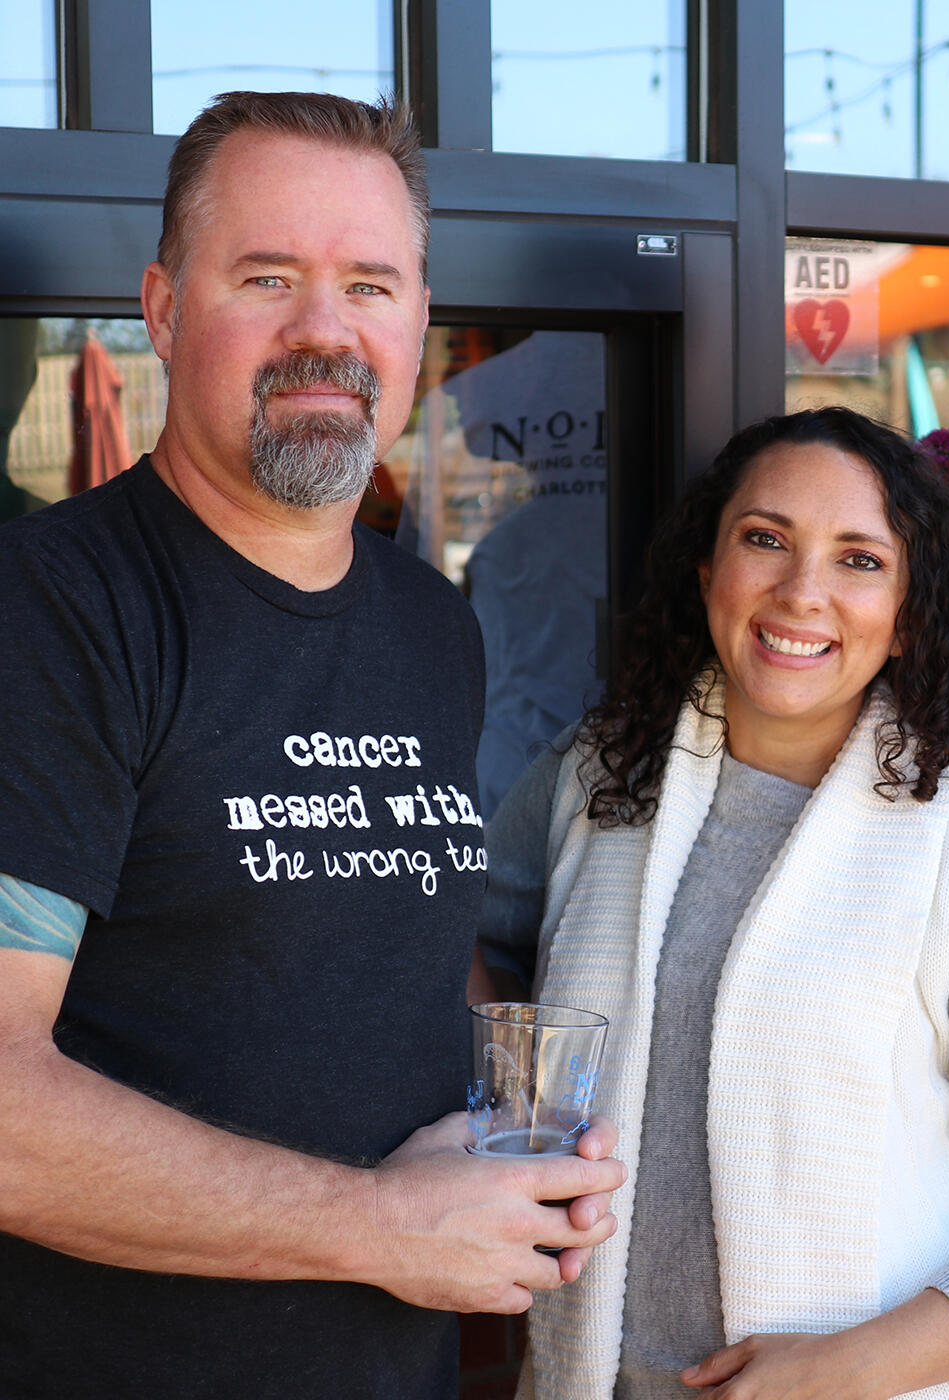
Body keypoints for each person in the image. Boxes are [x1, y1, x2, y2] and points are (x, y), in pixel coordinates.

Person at [0, 91, 623, 1400]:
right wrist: (380, 1225)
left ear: (418, 320)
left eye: (369, 285)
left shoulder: (431, 624)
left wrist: (516, 1119)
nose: (325, 331)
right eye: (268, 277)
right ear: (164, 308)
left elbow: (371, 945)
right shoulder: (53, 610)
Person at [482, 406, 949, 1399]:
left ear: (909, 614)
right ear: (706, 570)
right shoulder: (599, 778)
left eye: (859, 560)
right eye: (765, 539)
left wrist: (848, 1369)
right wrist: (515, 1103)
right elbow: (447, 932)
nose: (802, 592)